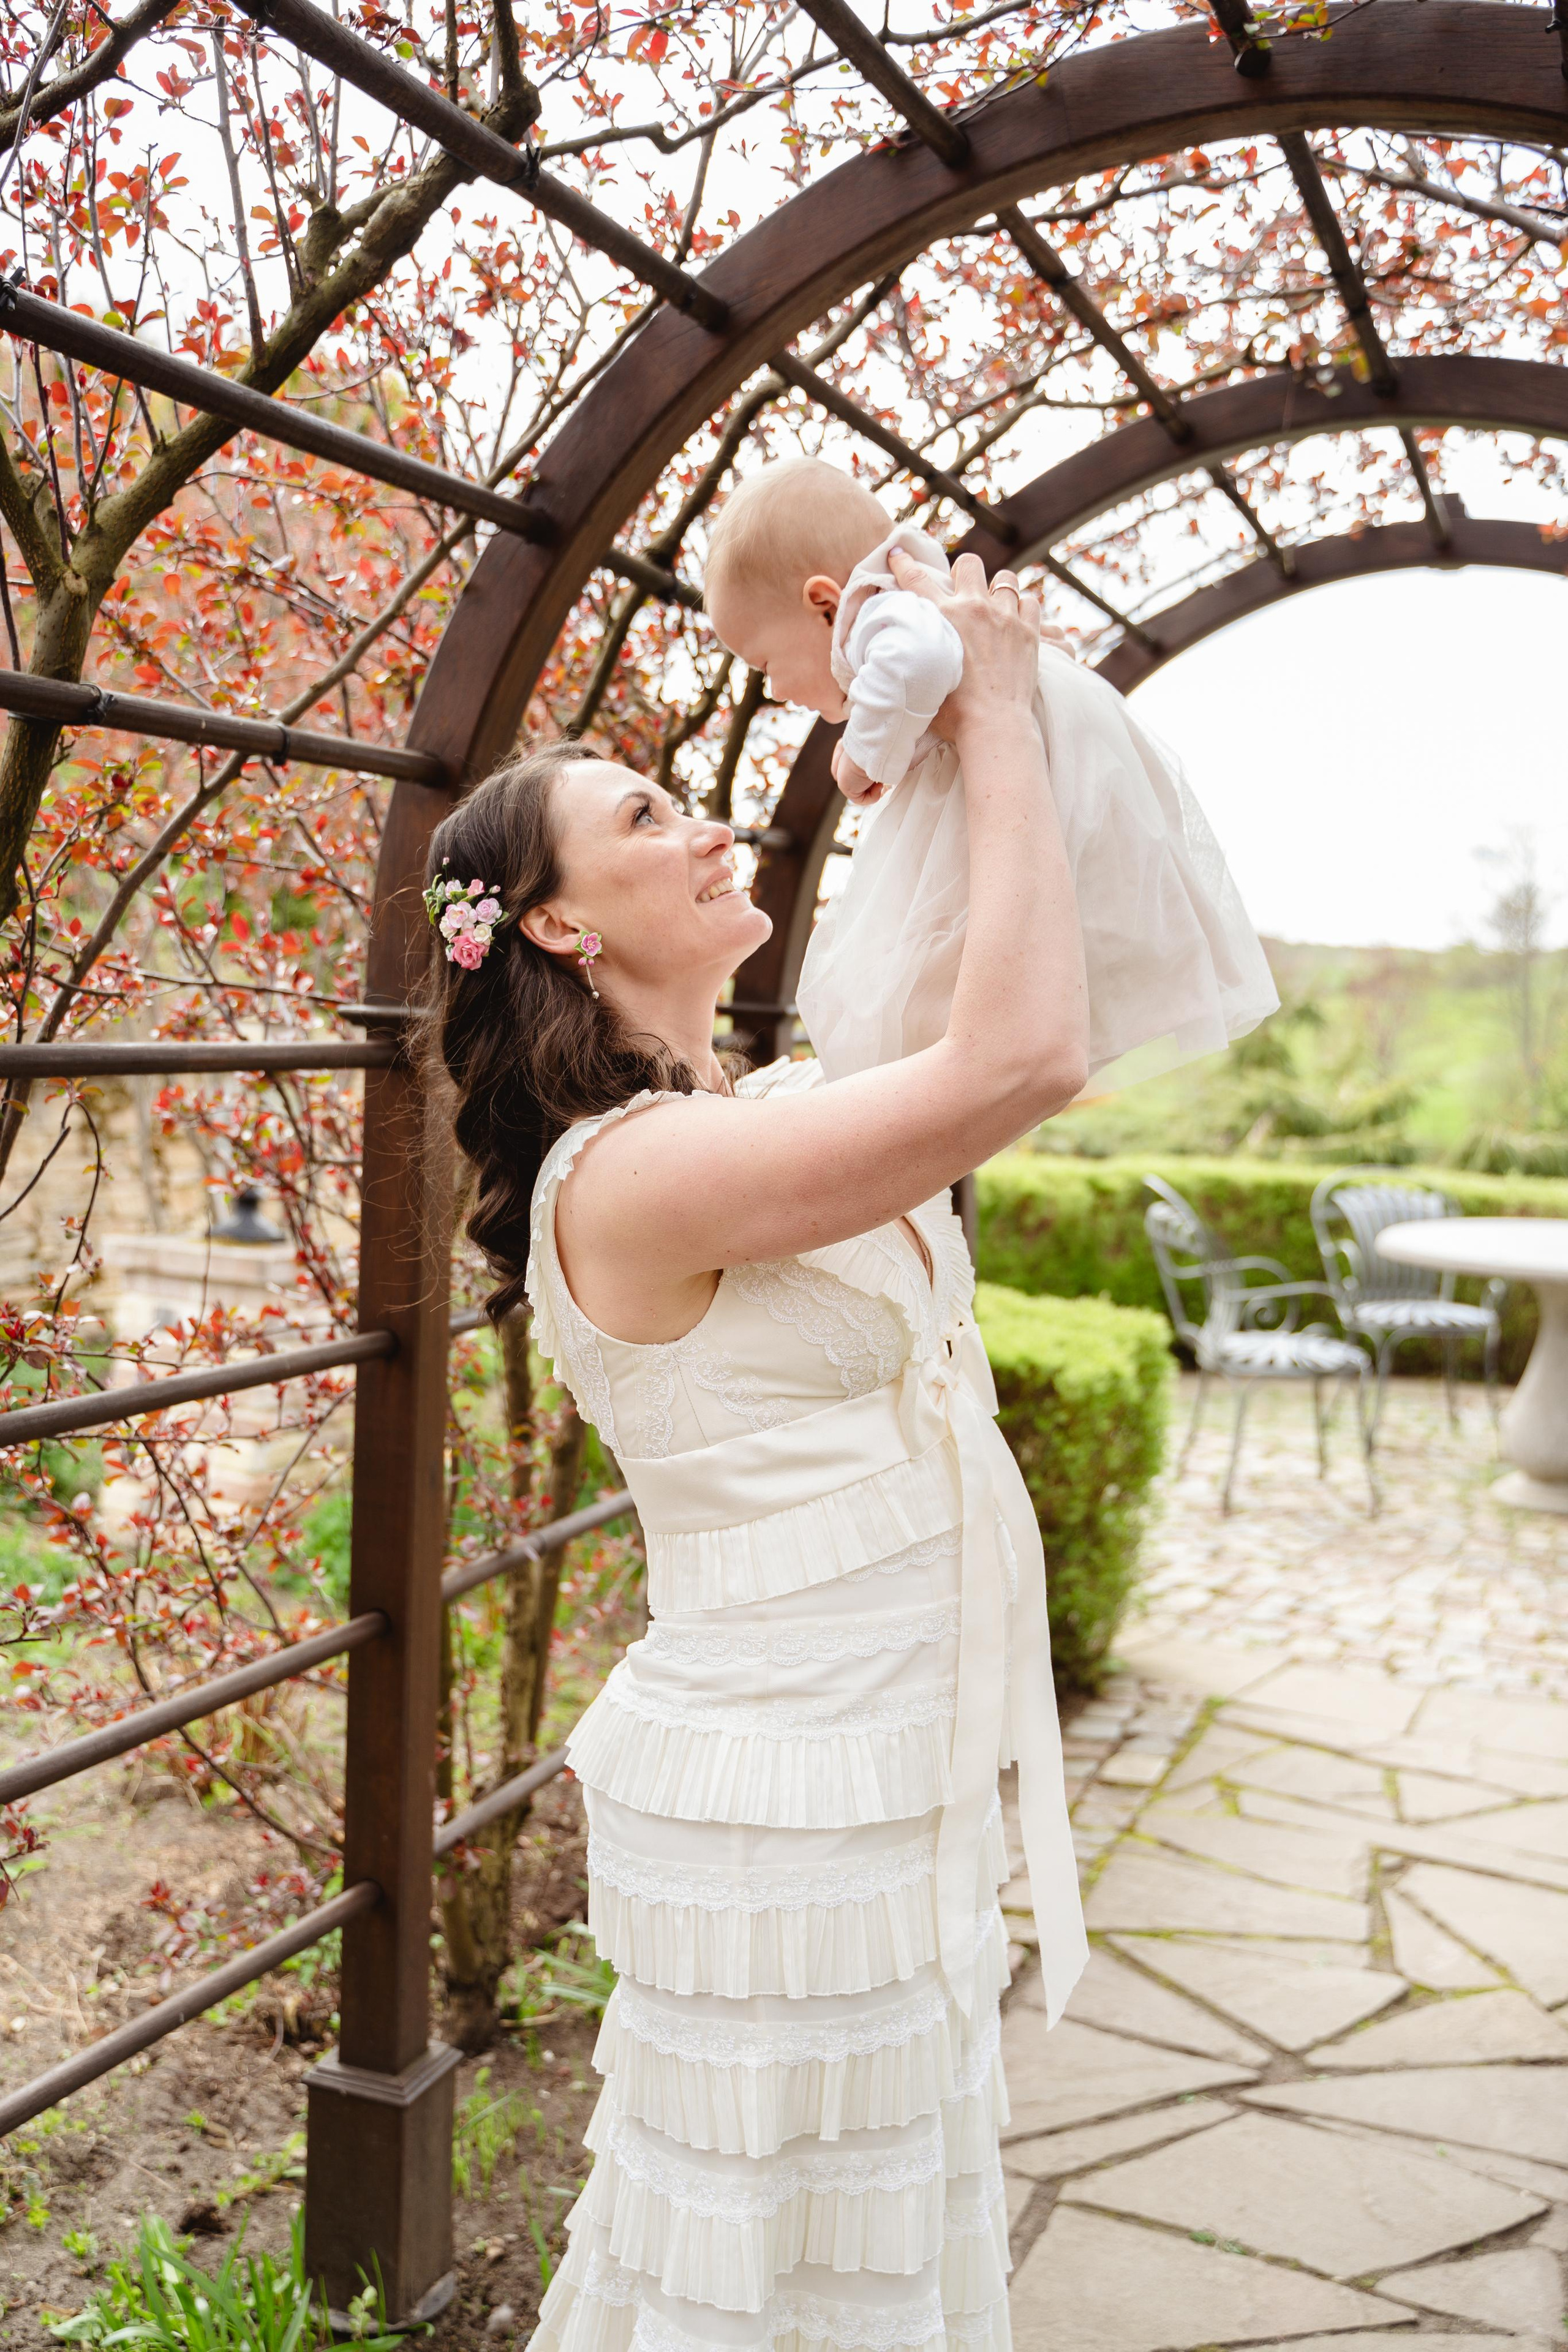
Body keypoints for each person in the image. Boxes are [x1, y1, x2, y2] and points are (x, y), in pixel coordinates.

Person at [424, 555, 1089, 2352]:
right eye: (645, 817)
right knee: (761, 2269)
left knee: (860, 2249)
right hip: (782, 1811)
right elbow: (1024, 1053)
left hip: (886, 1767)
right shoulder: (636, 1172)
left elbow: (1014, 992)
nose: (710, 826)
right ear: (557, 925)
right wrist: (996, 710)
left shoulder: (749, 1112)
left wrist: (935, 731)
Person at [704, 455, 1277, 1087]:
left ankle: (952, 1057)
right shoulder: (925, 596)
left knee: (925, 949)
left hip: (1021, 757)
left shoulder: (879, 615)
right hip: (1062, 763)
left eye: (765, 666)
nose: (774, 691)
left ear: (823, 604)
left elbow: (919, 662)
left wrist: (864, 754)